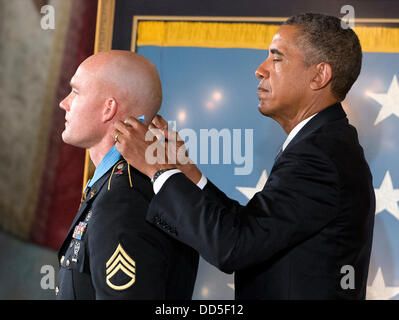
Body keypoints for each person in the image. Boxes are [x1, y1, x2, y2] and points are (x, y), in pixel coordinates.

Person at [113, 13, 375, 299]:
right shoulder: (322, 143)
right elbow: (252, 230)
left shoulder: (319, 154)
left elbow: (233, 247)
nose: (260, 70)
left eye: (276, 58)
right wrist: (188, 173)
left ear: (319, 76)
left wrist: (158, 170)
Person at [56, 50, 198, 299]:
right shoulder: (119, 184)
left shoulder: (124, 197)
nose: (64, 103)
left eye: (76, 92)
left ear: (108, 108)